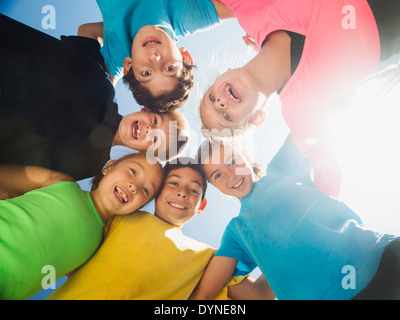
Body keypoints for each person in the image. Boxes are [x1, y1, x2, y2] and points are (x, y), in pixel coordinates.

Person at [199, 0, 400, 198]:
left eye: (211, 97)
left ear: (225, 73)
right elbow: (328, 179)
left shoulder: (253, 14)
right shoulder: (298, 111)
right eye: (226, 116)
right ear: (257, 118)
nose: (219, 103)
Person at [190, 136, 400, 300]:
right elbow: (220, 294)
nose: (231, 174)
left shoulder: (281, 170)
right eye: (217, 175)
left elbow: (306, 117)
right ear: (215, 186)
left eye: (232, 161)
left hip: (382, 257)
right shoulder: (236, 232)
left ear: (246, 154)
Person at [47, 158, 271, 300]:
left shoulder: (207, 258)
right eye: (173, 183)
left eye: (193, 190)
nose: (182, 192)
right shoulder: (123, 218)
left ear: (201, 206)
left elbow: (258, 295)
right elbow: (72, 245)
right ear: (157, 192)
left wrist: (282, 234)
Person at [0, 14, 189, 181]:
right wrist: (137, 28)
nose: (149, 129)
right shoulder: (103, 81)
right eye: (155, 121)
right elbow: (87, 32)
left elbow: (22, 176)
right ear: (146, 109)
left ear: (145, 153)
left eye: (155, 139)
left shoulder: (89, 166)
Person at [0, 152, 164, 300]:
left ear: (138, 208)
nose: (133, 186)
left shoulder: (96, 247)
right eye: (133, 171)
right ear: (109, 167)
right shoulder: (61, 182)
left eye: (146, 190)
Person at [78, 0, 235, 112]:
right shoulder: (186, 16)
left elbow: (86, 31)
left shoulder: (118, 54)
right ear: (184, 56)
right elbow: (240, 8)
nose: (155, 57)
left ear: (129, 66)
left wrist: (115, 32)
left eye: (146, 73)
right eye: (169, 68)